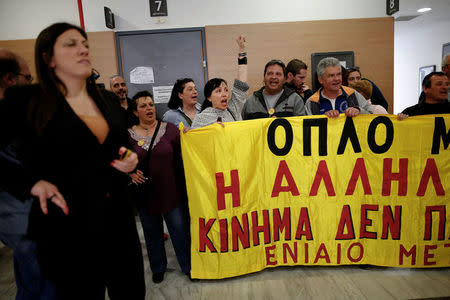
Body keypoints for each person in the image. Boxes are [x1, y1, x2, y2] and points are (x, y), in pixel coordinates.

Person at [0, 23, 145, 299]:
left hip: (118, 221)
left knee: (131, 292)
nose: (83, 49)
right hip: (68, 229)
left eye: (85, 44)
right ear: (48, 58)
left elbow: (120, 147)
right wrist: (30, 183)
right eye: (71, 44)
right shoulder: (30, 102)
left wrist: (129, 158)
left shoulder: (107, 100)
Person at [0, 49, 58, 299]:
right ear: (10, 80)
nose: (31, 84)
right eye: (27, 78)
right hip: (28, 223)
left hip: (24, 224)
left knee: (29, 284)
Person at [128, 90, 190, 284]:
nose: (149, 108)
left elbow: (186, 152)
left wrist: (192, 137)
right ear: (135, 112)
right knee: (152, 233)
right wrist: (129, 172)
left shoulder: (170, 129)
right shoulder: (127, 135)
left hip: (171, 192)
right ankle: (158, 267)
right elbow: (118, 155)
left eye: (151, 104)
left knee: (180, 232)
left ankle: (188, 266)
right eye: (143, 106)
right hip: (146, 196)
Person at [191, 35, 249, 128]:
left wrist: (242, 50)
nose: (224, 94)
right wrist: (212, 130)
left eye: (226, 90)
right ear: (209, 98)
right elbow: (194, 140)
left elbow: (241, 85)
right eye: (218, 91)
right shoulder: (201, 119)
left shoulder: (233, 109)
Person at [305, 57, 372, 118]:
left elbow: (372, 115)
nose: (336, 79)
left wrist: (359, 110)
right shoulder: (312, 102)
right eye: (331, 75)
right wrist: (324, 119)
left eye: (339, 74)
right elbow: (307, 128)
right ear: (320, 79)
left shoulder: (353, 94)